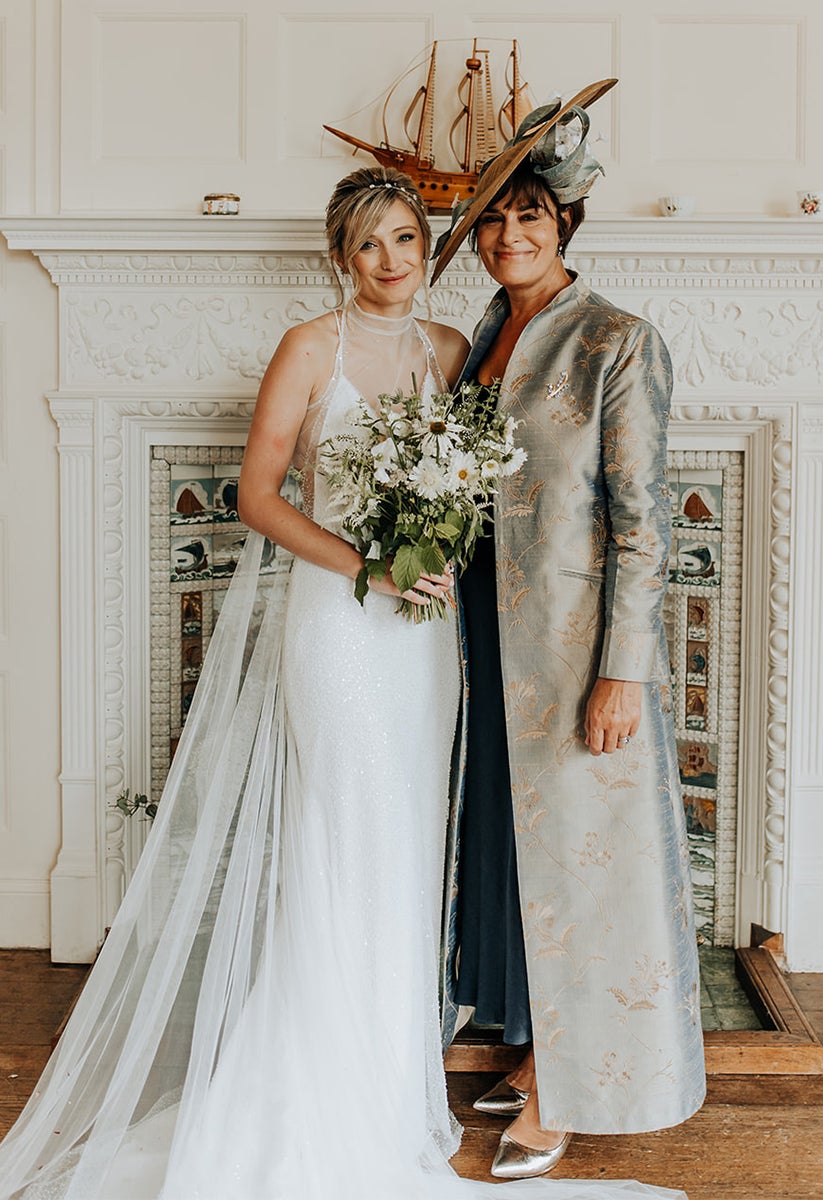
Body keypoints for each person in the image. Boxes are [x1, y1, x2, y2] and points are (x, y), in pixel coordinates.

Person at [0, 167, 675, 1198]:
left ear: (426, 249)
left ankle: (396, 1072)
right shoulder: (309, 349)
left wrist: (442, 562)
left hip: (429, 647)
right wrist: (370, 568)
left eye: (407, 239)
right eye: (370, 245)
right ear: (341, 256)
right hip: (343, 630)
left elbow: (506, 493)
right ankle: (314, 1081)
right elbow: (255, 495)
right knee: (339, 842)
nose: (392, 261)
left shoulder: (463, 353)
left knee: (408, 853)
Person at [430, 82, 706, 1182]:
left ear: (566, 222)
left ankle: (564, 1086)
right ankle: (531, 1038)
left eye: (529, 216)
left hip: (573, 654)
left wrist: (622, 675)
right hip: (475, 648)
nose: (508, 235)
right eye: (492, 219)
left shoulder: (617, 343)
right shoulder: (478, 345)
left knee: (586, 873)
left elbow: (644, 525)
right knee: (506, 856)